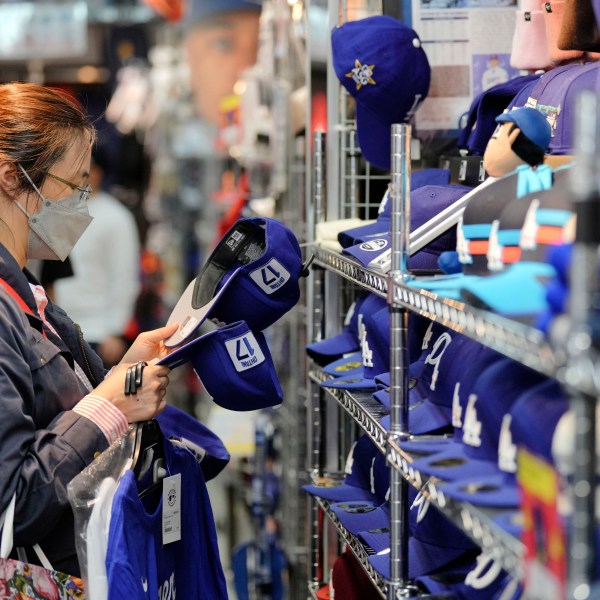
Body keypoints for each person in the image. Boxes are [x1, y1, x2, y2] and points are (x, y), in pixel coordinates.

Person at [0, 82, 178, 577]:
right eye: (74, 185)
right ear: (14, 178)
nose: (83, 201)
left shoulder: (25, 293)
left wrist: (118, 376)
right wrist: (109, 408)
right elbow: (14, 502)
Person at [53, 149, 141, 367]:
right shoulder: (54, 210)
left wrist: (115, 330)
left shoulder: (116, 217)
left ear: (97, 172)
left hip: (97, 330)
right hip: (57, 328)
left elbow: (124, 276)